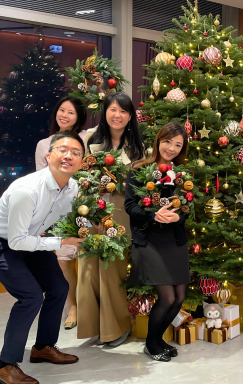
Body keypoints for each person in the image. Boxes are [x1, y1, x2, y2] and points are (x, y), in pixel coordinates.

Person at [0, 130, 85, 384]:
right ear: (48, 156)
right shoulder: (27, 189)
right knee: (30, 297)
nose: (68, 156)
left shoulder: (72, 187)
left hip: (30, 238)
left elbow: (73, 218)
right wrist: (61, 241)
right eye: (62, 150)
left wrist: (93, 226)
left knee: (58, 288)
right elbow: (16, 241)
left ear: (81, 162)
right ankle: (4, 366)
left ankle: (43, 347)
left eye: (76, 153)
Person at [78, 92, 145, 347]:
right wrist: (84, 213)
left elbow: (140, 188)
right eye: (113, 109)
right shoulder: (89, 139)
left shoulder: (138, 147)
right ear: (105, 112)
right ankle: (95, 326)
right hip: (92, 211)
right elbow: (80, 177)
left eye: (124, 111)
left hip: (120, 215)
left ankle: (117, 327)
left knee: (111, 271)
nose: (117, 115)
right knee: (88, 271)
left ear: (130, 117)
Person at [125, 122, 190, 362]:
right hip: (149, 240)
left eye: (177, 144)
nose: (171, 148)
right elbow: (130, 206)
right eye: (167, 141)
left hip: (174, 239)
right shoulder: (139, 169)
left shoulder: (182, 175)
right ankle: (151, 343)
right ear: (158, 141)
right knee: (168, 297)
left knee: (180, 298)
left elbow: (187, 207)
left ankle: (159, 337)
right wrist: (153, 215)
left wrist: (178, 216)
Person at [35, 96, 87, 330]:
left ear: (79, 117)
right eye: (61, 110)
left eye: (71, 112)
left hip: (87, 207)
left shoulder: (87, 138)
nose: (64, 115)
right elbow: (42, 180)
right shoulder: (44, 145)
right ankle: (73, 307)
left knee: (89, 262)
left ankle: (92, 308)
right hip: (59, 212)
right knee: (64, 263)